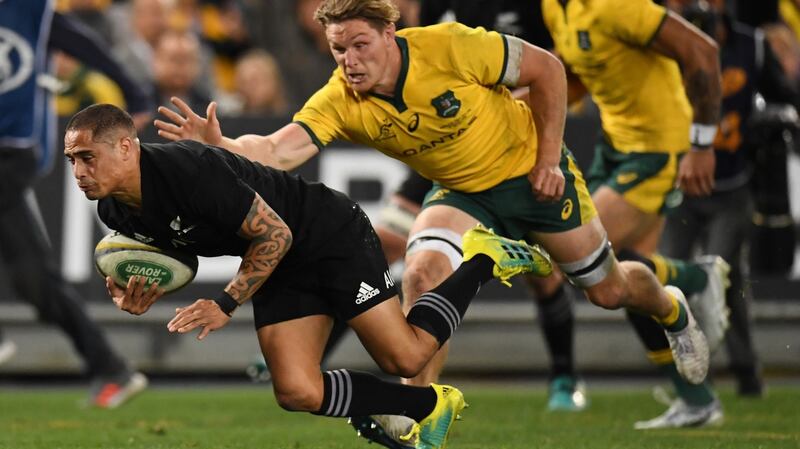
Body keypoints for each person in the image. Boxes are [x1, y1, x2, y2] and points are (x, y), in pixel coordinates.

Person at [155, 0, 712, 437]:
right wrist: (223, 144)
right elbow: (278, 149)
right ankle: (415, 407)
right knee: (421, 273)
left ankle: (671, 305)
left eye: (359, 45)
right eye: (336, 49)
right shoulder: (340, 98)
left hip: (529, 175)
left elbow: (548, 70)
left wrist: (548, 161)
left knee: (609, 291)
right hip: (462, 192)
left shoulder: (449, 46)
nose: (348, 61)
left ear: (390, 36)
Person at [64, 103, 551, 449]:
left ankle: (484, 259)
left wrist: (227, 304)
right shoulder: (116, 210)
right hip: (279, 261)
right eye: (71, 161)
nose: (79, 171)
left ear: (127, 148)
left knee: (407, 352)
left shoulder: (188, 172)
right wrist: (142, 290)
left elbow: (273, 234)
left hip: (328, 235)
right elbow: (182, 256)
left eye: (88, 157)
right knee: (296, 391)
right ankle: (427, 406)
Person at [541, 0, 727, 429]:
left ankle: (698, 279)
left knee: (581, 258)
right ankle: (697, 400)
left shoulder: (616, 5)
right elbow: (576, 76)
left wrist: (702, 145)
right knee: (630, 282)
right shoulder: (556, 6)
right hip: (616, 144)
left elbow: (702, 52)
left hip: (657, 148)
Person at [0, 0, 150, 407]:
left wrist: (134, 91)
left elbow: (85, 46)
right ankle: (111, 367)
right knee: (36, 281)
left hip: (14, 149)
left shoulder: (27, 11)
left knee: (36, 277)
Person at [663, 0, 799, 397]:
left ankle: (740, 371)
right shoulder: (667, 44)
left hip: (732, 186)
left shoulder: (752, 45)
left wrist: (778, 117)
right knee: (674, 282)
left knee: (717, 281)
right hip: (679, 187)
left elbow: (786, 97)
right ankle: (692, 380)